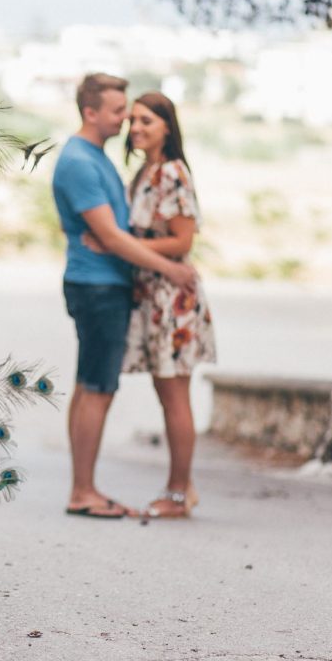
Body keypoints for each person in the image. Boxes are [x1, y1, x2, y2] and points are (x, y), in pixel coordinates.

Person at [53, 74, 197, 519]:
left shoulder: (107, 160)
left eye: (137, 117)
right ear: (90, 112)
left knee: (94, 386)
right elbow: (112, 236)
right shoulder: (81, 160)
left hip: (135, 289)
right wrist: (161, 261)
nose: (128, 124)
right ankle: (84, 491)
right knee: (96, 387)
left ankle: (96, 488)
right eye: (122, 114)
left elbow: (130, 235)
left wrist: (119, 241)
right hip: (102, 285)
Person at [84, 91, 216, 519]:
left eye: (147, 121)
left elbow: (183, 240)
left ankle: (179, 494)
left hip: (171, 298)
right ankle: (184, 487)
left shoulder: (173, 172)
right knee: (166, 393)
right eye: (134, 120)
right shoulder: (145, 171)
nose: (137, 128)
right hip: (150, 297)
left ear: (167, 127)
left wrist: (117, 245)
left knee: (174, 396)